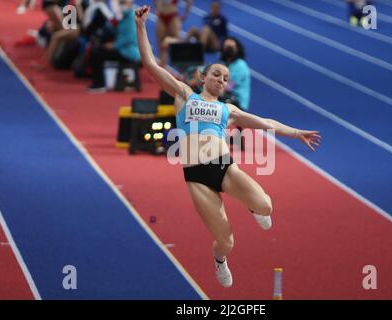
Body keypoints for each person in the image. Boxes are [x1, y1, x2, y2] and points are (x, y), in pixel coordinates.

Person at [135, 5, 321, 287]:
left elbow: (265, 122)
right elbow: (150, 63)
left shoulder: (228, 110)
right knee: (226, 241)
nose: (221, 80)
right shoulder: (184, 94)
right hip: (196, 175)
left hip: (224, 166)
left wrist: (297, 134)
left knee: (266, 206)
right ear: (203, 78)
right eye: (216, 74)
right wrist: (141, 25)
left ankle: (251, 207)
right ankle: (219, 261)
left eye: (225, 78)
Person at [88, 0, 140, 92]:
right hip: (122, 49)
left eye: (123, 3)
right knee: (96, 49)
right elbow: (113, 30)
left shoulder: (131, 16)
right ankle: (98, 82)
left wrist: (114, 45)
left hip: (128, 52)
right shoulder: (122, 16)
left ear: (130, 3)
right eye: (121, 3)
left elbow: (130, 38)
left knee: (96, 53)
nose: (121, 6)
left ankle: (99, 84)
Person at [155, 0, 193, 65]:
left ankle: (181, 62)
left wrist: (186, 14)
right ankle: (162, 64)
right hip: (161, 17)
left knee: (176, 40)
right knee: (161, 42)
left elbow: (189, 1)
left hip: (173, 16)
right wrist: (158, 9)